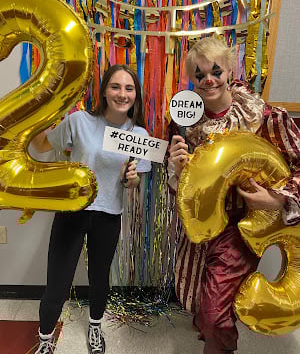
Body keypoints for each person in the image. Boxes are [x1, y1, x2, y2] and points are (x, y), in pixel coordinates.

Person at [167, 37, 300, 354]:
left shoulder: (263, 117)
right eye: (200, 75)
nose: (209, 80)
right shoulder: (184, 122)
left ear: (230, 69)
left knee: (214, 315)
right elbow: (179, 186)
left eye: (215, 71)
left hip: (241, 226)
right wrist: (176, 167)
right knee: (201, 304)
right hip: (199, 228)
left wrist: (276, 198)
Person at [31, 64, 151, 354]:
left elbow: (132, 184)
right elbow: (40, 145)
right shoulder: (79, 121)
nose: (122, 94)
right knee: (57, 282)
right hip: (73, 212)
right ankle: (45, 340)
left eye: (129, 88)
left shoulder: (140, 133)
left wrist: (132, 180)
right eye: (115, 87)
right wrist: (38, 114)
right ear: (104, 91)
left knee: (100, 278)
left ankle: (96, 326)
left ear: (136, 94)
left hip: (109, 215)